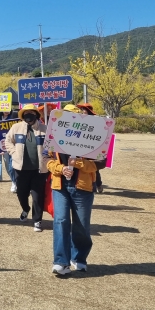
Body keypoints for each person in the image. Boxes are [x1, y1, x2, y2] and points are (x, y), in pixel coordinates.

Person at [46, 103, 98, 275]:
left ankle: (79, 257)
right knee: (60, 221)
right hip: (59, 186)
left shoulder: (91, 136)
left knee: (81, 225)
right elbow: (46, 159)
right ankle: (61, 261)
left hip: (83, 187)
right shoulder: (53, 135)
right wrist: (61, 169)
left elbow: (101, 162)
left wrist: (79, 163)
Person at [5, 104, 48, 232]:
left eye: (32, 113)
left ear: (37, 115)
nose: (29, 115)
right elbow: (8, 141)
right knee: (21, 193)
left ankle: (37, 220)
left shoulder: (45, 129)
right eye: (26, 113)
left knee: (37, 196)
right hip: (21, 168)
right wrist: (13, 153)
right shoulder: (16, 127)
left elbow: (51, 145)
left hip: (39, 169)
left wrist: (48, 158)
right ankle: (25, 209)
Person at [77, 103, 105, 193]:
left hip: (92, 148)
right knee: (83, 167)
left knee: (94, 168)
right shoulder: (78, 120)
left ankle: (98, 185)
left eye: (84, 110)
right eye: (81, 110)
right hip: (81, 148)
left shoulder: (96, 122)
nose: (82, 112)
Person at [0, 111, 17, 192]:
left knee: (8, 162)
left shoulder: (12, 118)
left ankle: (13, 178)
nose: (7, 111)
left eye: (8, 109)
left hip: (8, 144)